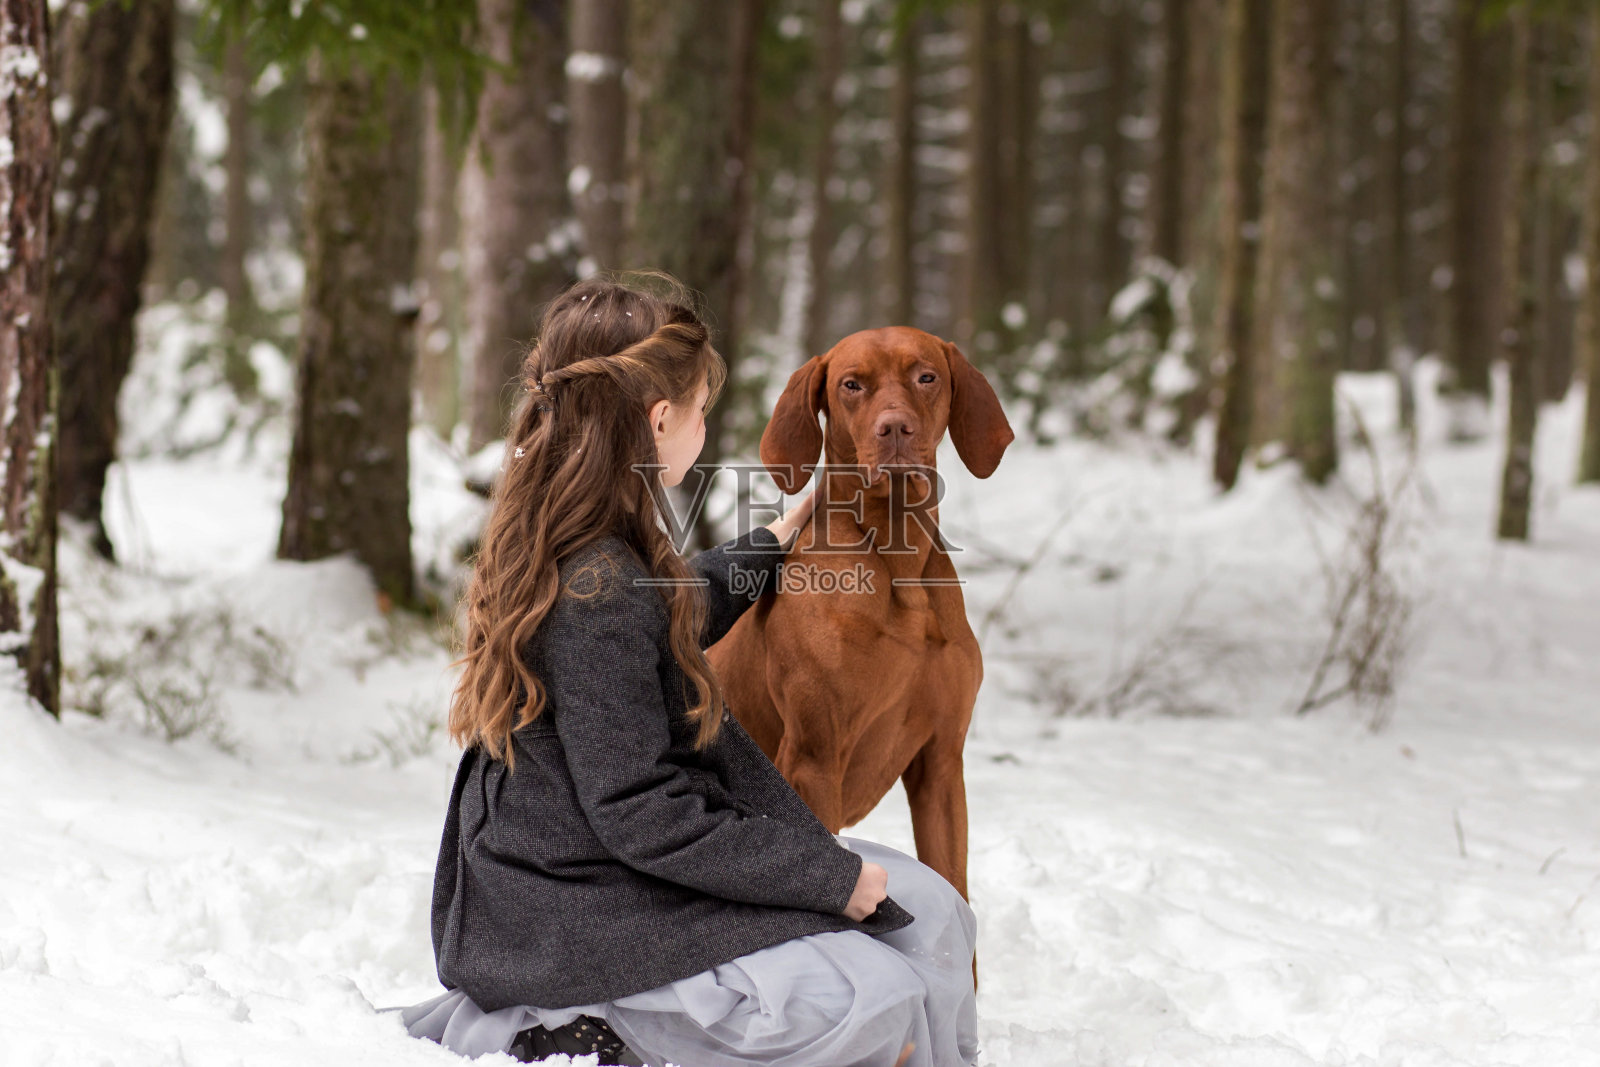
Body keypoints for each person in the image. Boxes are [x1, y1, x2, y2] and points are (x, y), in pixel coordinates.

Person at [395, 273, 979, 1067]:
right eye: (703, 408)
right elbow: (640, 809)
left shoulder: (605, 546)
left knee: (934, 915)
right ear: (661, 420)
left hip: (621, 872)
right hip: (571, 913)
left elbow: (666, 610)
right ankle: (565, 1024)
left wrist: (774, 538)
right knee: (875, 1000)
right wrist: (826, 878)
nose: (706, 425)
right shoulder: (596, 582)